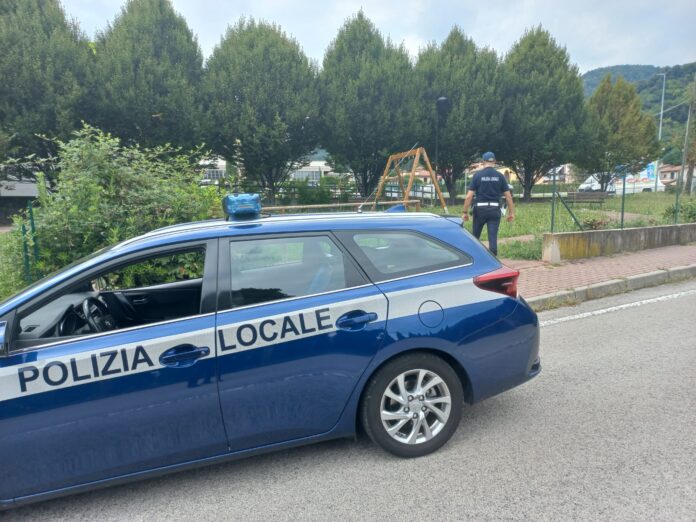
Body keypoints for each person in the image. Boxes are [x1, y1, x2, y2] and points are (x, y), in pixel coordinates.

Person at [461, 151, 515, 256]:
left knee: (475, 237)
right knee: (492, 237)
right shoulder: (500, 176)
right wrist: (511, 213)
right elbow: (508, 196)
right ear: (494, 161)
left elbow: (469, 196)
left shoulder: (477, 175)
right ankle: (493, 261)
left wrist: (464, 212)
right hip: (494, 210)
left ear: (483, 162)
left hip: (480, 210)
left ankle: (474, 258)